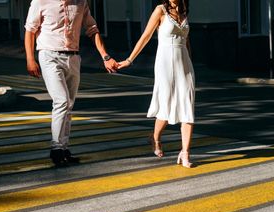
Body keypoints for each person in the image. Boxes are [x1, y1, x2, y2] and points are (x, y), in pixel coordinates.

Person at [25, 0, 118, 166]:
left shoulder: (81, 2)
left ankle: (64, 148)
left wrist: (105, 56)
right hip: (49, 55)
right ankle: (56, 149)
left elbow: (92, 29)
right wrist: (30, 59)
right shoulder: (41, 1)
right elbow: (30, 30)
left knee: (69, 104)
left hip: (73, 57)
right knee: (61, 101)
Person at [117, 0, 194, 168]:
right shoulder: (160, 10)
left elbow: (187, 41)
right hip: (165, 64)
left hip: (185, 65)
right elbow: (146, 36)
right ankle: (155, 137)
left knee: (187, 106)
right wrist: (130, 60)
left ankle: (185, 152)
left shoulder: (184, 11)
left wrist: (190, 63)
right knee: (165, 106)